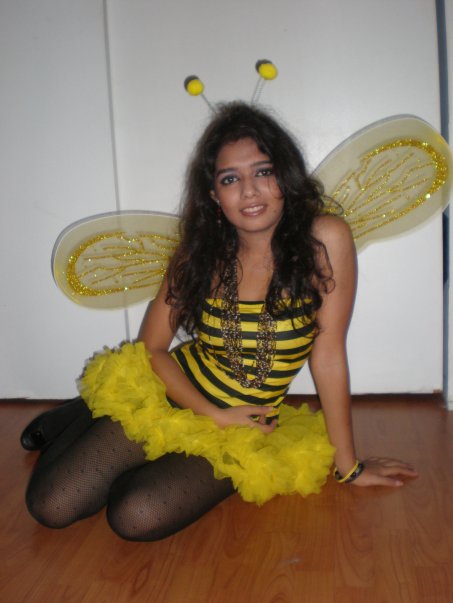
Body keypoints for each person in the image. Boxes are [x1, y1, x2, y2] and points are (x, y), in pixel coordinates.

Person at [23, 102, 417, 541]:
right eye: (230, 179)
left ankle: (82, 418)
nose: (249, 191)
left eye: (263, 172)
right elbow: (153, 349)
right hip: (173, 391)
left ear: (286, 176)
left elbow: (327, 356)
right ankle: (79, 414)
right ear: (213, 195)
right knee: (52, 504)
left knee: (135, 514)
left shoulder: (324, 238)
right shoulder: (198, 253)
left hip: (244, 423)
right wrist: (211, 413)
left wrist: (349, 467)